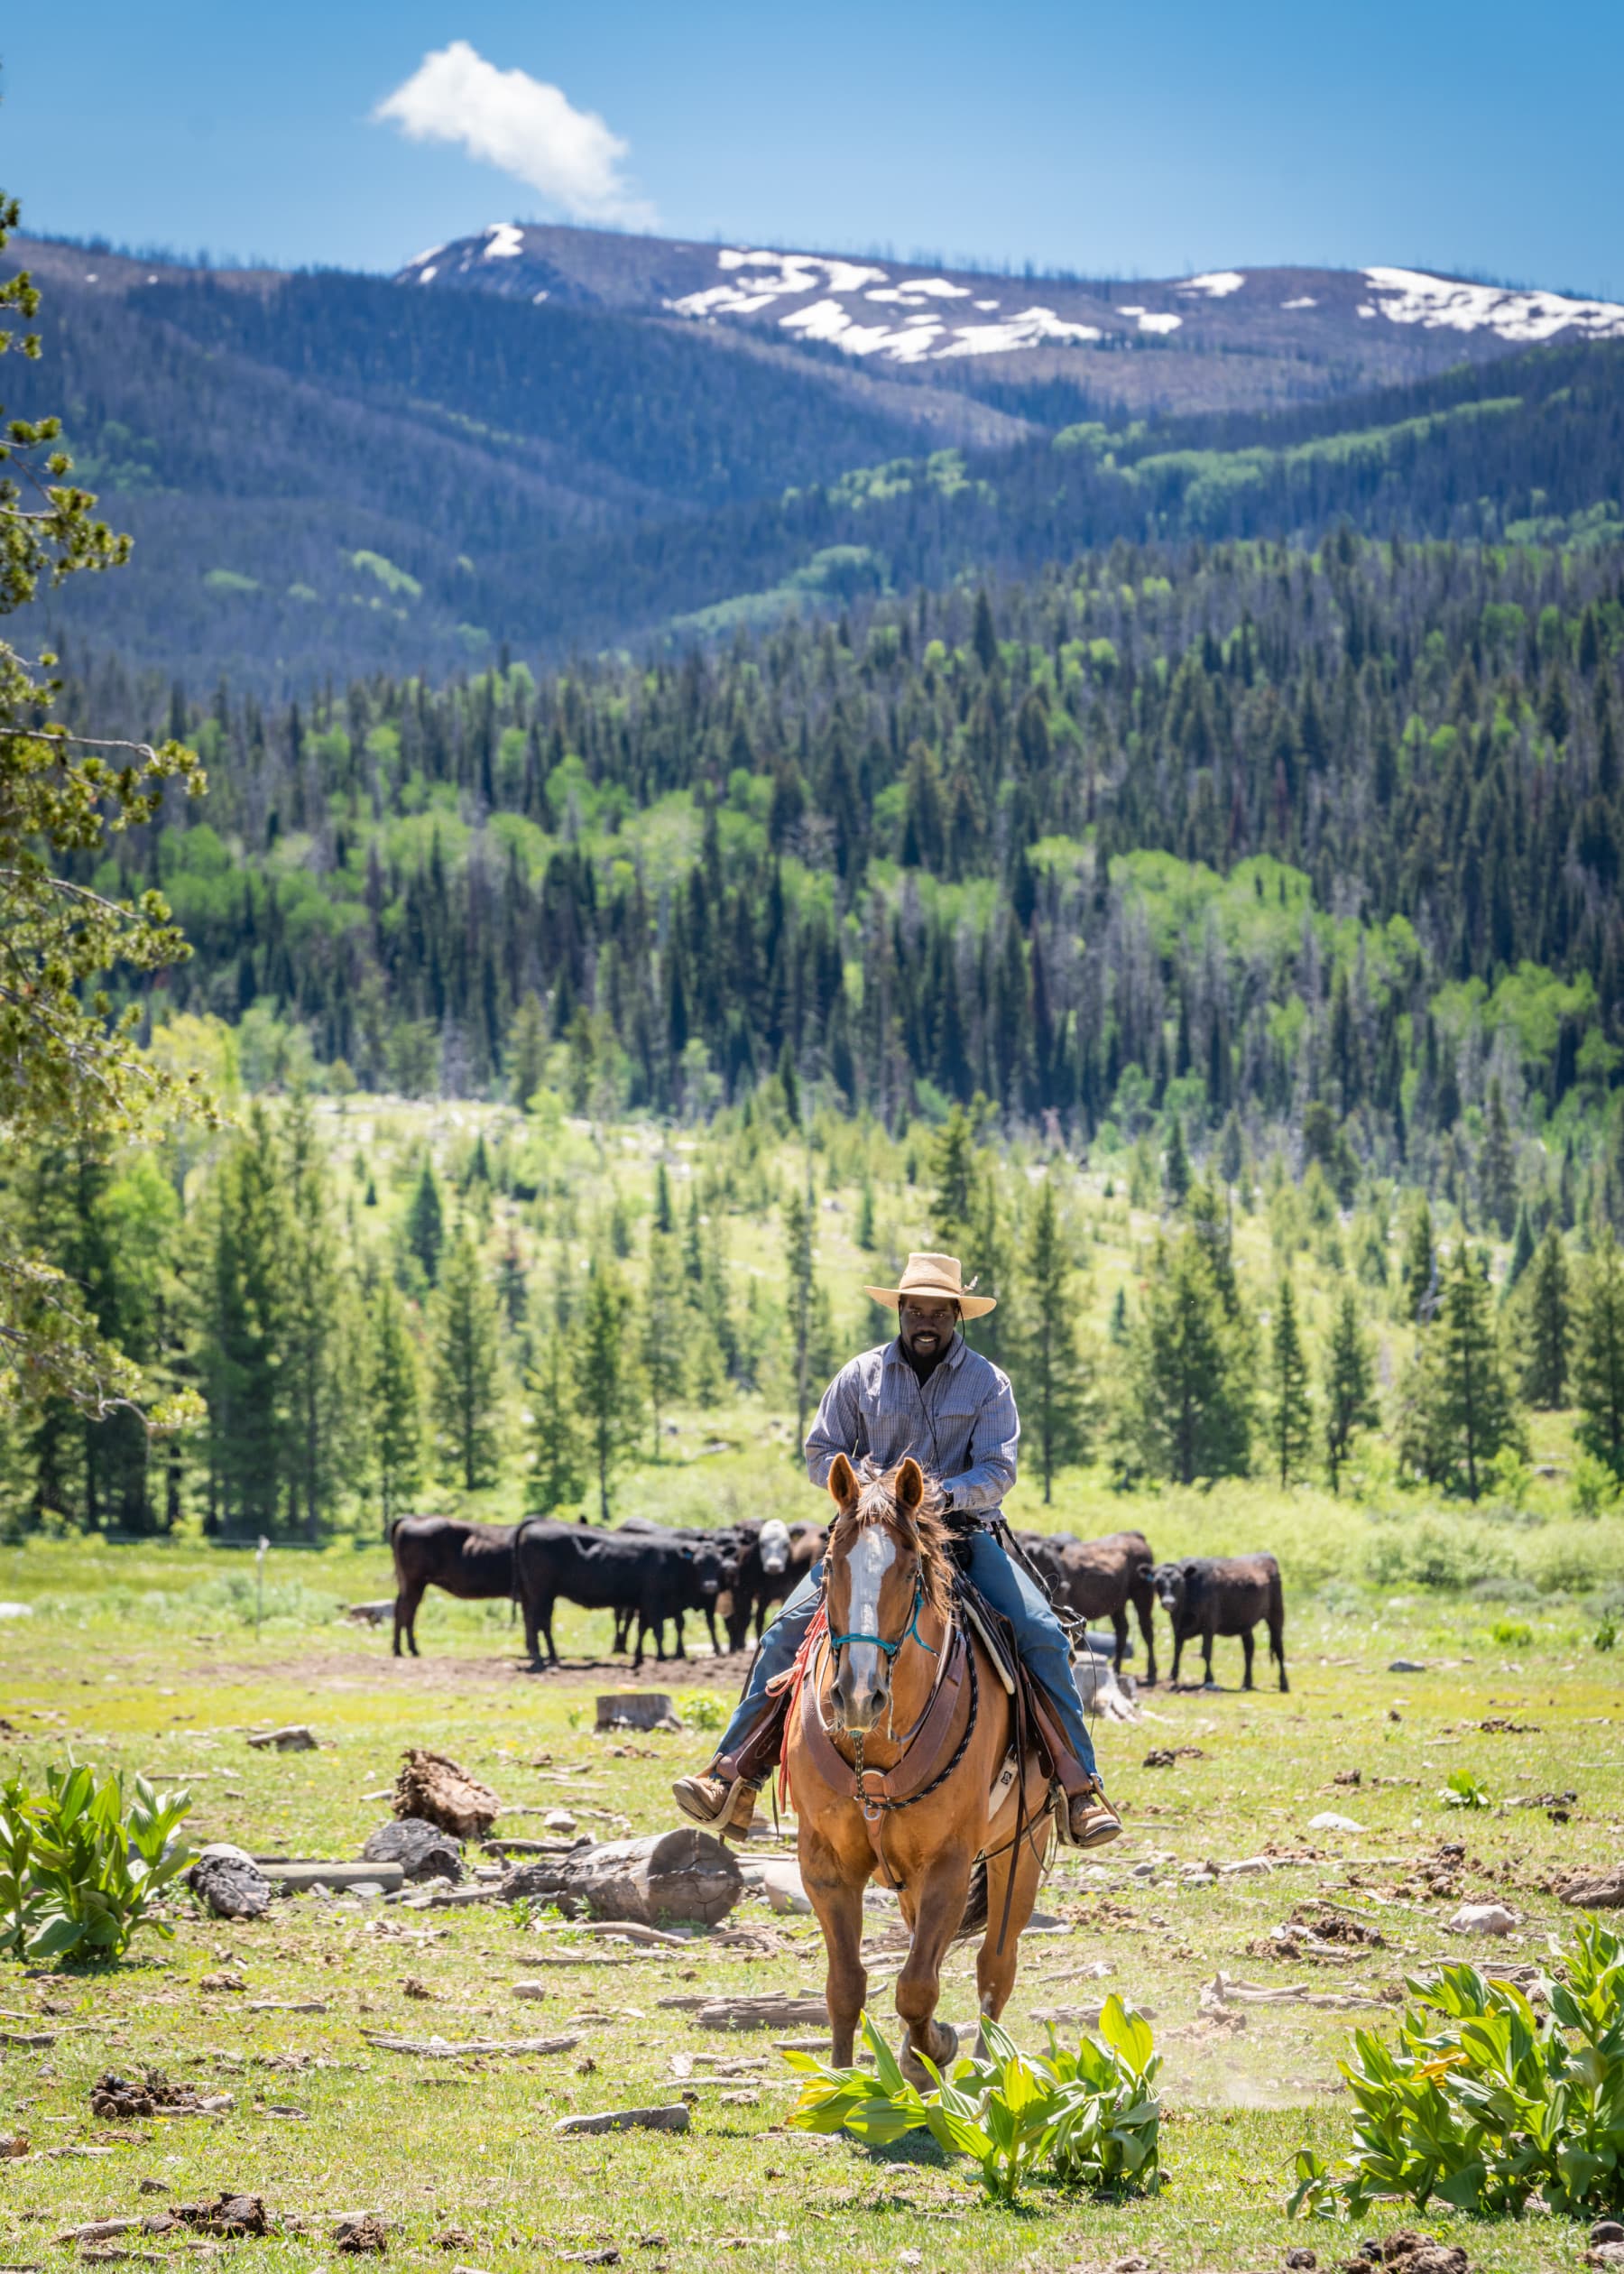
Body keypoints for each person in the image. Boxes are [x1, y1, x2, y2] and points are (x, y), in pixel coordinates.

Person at [673, 1250, 1122, 1847]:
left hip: (962, 1537)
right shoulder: (860, 1376)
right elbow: (819, 1452)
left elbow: (998, 1469)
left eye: (939, 1311)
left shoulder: (989, 1383)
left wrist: (938, 1495)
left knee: (1038, 1631)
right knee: (785, 1631)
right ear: (902, 1312)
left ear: (957, 1316)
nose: (926, 1322)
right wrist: (873, 1493)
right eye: (916, 1310)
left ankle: (1077, 1785)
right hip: (870, 1540)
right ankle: (733, 1773)